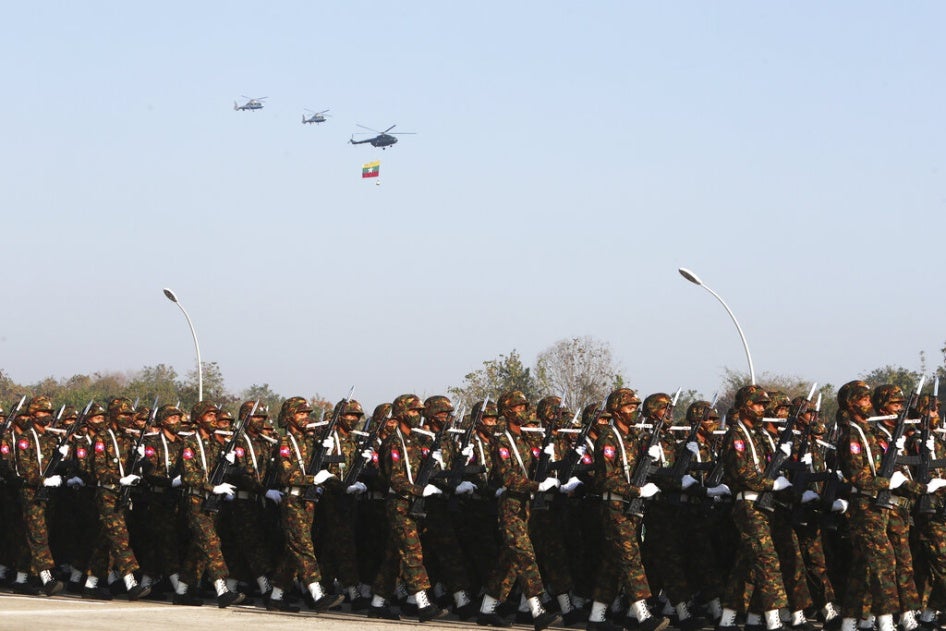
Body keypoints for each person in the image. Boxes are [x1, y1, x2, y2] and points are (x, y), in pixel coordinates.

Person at [477, 390, 561, 631]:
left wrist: (547, 459)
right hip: (511, 506)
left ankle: (486, 610)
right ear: (507, 410)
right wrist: (537, 485)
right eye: (519, 408)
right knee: (525, 556)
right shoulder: (502, 440)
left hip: (526, 507)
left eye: (525, 407)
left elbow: (534, 467)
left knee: (508, 561)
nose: (524, 411)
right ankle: (537, 610)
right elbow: (507, 477)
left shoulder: (525, 438)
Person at [585, 388, 667, 631]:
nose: (634, 412)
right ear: (617, 410)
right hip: (615, 506)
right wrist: (638, 492)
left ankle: (596, 618)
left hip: (629, 507)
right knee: (631, 560)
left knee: (612, 564)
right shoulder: (608, 438)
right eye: (630, 407)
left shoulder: (630, 437)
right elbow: (605, 480)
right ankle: (643, 616)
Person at [265, 396, 343, 613]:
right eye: (301, 413)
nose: (306, 417)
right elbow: (287, 475)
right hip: (292, 500)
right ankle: (318, 595)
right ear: (290, 417)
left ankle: (276, 597)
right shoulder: (284, 443)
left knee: (295, 550)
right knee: (304, 547)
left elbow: (319, 465)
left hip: (309, 501)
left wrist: (327, 450)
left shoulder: (310, 441)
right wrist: (312, 480)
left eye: (307, 413)